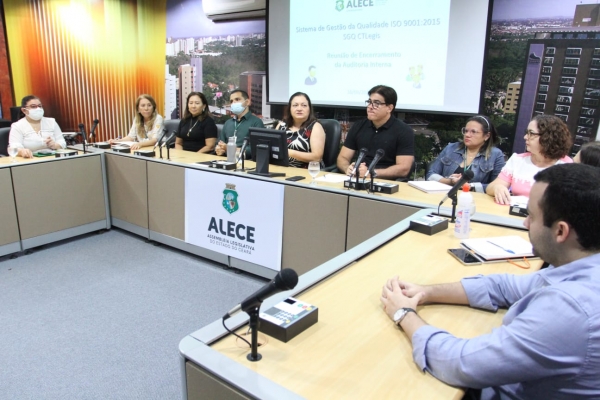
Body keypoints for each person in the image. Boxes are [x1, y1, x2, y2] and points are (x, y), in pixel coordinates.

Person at [381, 163, 600, 399]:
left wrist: (404, 314)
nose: (525, 224)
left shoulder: (572, 310)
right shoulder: (582, 267)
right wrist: (425, 292)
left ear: (560, 231)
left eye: (532, 216)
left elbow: (460, 363)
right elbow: (503, 287)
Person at [486, 114, 572, 204]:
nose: (525, 137)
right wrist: (497, 187)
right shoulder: (517, 160)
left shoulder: (567, 166)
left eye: (531, 133)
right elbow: (490, 188)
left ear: (548, 137)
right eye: (526, 133)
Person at [337, 85, 414, 180]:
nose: (370, 107)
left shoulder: (404, 131)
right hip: (358, 178)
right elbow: (343, 158)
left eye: (376, 103)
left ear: (389, 108)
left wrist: (371, 172)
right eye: (369, 102)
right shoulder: (359, 126)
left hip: (386, 181)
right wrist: (347, 169)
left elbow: (403, 168)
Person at [426, 115, 505, 192]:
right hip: (445, 195)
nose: (467, 135)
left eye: (473, 132)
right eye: (466, 131)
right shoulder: (451, 148)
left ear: (487, 136)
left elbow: (498, 186)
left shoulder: (496, 155)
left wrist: (470, 186)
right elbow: (431, 175)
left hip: (474, 200)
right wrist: (450, 181)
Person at [274, 92, 325, 169]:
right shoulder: (281, 125)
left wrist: (290, 153)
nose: (299, 109)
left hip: (307, 172)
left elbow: (317, 158)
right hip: (281, 169)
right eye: (295, 105)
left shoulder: (315, 127)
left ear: (309, 109)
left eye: (304, 105)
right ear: (290, 109)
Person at [215, 90, 264, 158]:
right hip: (225, 161)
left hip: (246, 163)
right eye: (231, 101)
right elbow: (220, 143)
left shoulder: (256, 122)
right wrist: (218, 149)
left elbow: (256, 149)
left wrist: (231, 149)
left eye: (237, 99)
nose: (234, 103)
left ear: (247, 102)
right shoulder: (228, 123)